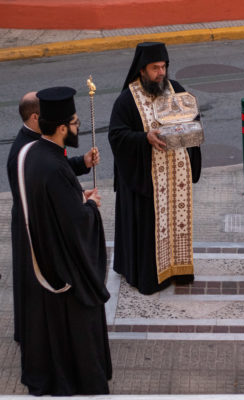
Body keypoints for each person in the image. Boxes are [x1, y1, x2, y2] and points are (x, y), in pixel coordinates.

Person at [18, 87, 111, 395]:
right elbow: (76, 223)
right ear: (60, 128)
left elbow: (54, 202)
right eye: (74, 122)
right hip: (63, 269)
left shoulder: (34, 152)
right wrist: (91, 206)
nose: (77, 126)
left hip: (44, 258)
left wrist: (77, 195)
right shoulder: (54, 166)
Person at [109, 42, 202, 294]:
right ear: (141, 70)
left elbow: (193, 118)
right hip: (145, 180)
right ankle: (149, 277)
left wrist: (191, 127)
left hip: (175, 178)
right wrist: (144, 138)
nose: (161, 73)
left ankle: (178, 270)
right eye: (155, 68)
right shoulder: (127, 99)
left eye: (163, 67)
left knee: (176, 223)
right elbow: (116, 136)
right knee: (149, 229)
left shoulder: (175, 90)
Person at [6, 92, 98, 343]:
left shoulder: (41, 142)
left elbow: (57, 169)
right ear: (36, 117)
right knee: (38, 285)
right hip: (34, 227)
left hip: (42, 222)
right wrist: (81, 202)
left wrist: (83, 163)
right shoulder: (22, 151)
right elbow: (39, 192)